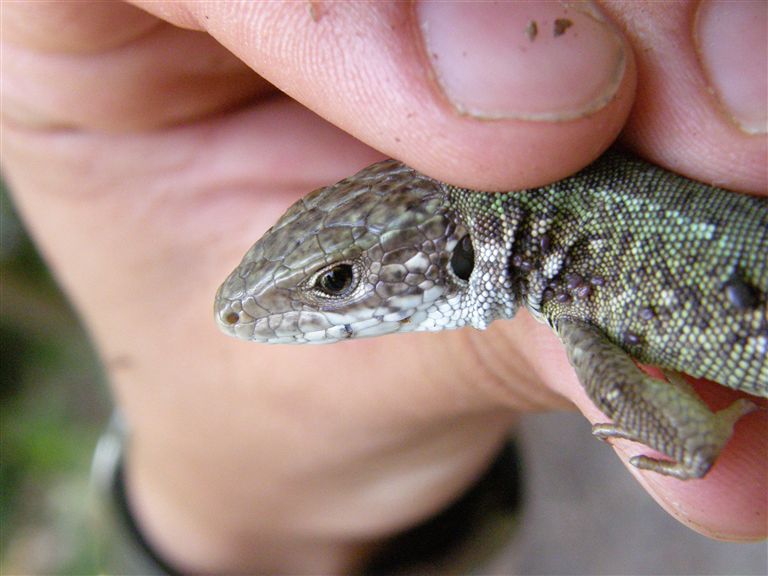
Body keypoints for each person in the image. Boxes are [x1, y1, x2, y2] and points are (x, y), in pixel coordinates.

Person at [2, 2, 766, 574]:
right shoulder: (590, 214)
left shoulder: (588, 342)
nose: (254, 311)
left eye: (335, 281)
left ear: (458, 253)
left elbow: (695, 443)